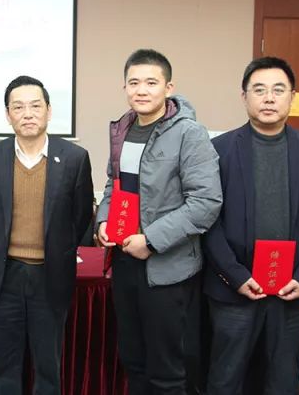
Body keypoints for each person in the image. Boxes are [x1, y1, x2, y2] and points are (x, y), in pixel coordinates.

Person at [202, 56, 299, 394]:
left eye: (278, 90)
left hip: (292, 288)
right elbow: (208, 219)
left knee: (282, 378)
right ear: (244, 96)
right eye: (259, 90)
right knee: (226, 378)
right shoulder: (218, 150)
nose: (269, 98)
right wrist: (235, 275)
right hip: (235, 288)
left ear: (292, 96)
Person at [96, 49, 222, 394]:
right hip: (125, 262)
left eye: (151, 82)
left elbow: (206, 202)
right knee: (133, 361)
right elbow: (112, 186)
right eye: (134, 82)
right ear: (125, 87)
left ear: (169, 88)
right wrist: (103, 221)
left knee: (167, 371)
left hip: (168, 269)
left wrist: (150, 240)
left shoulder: (189, 134)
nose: (142, 90)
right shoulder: (123, 129)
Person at [0, 75, 94, 394]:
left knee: (47, 368)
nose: (27, 114)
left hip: (50, 276)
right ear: (8, 115)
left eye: (35, 106)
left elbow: (81, 216)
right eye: (18, 107)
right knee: (3, 369)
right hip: (4, 276)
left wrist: (56, 248)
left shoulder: (74, 158)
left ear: (49, 111)